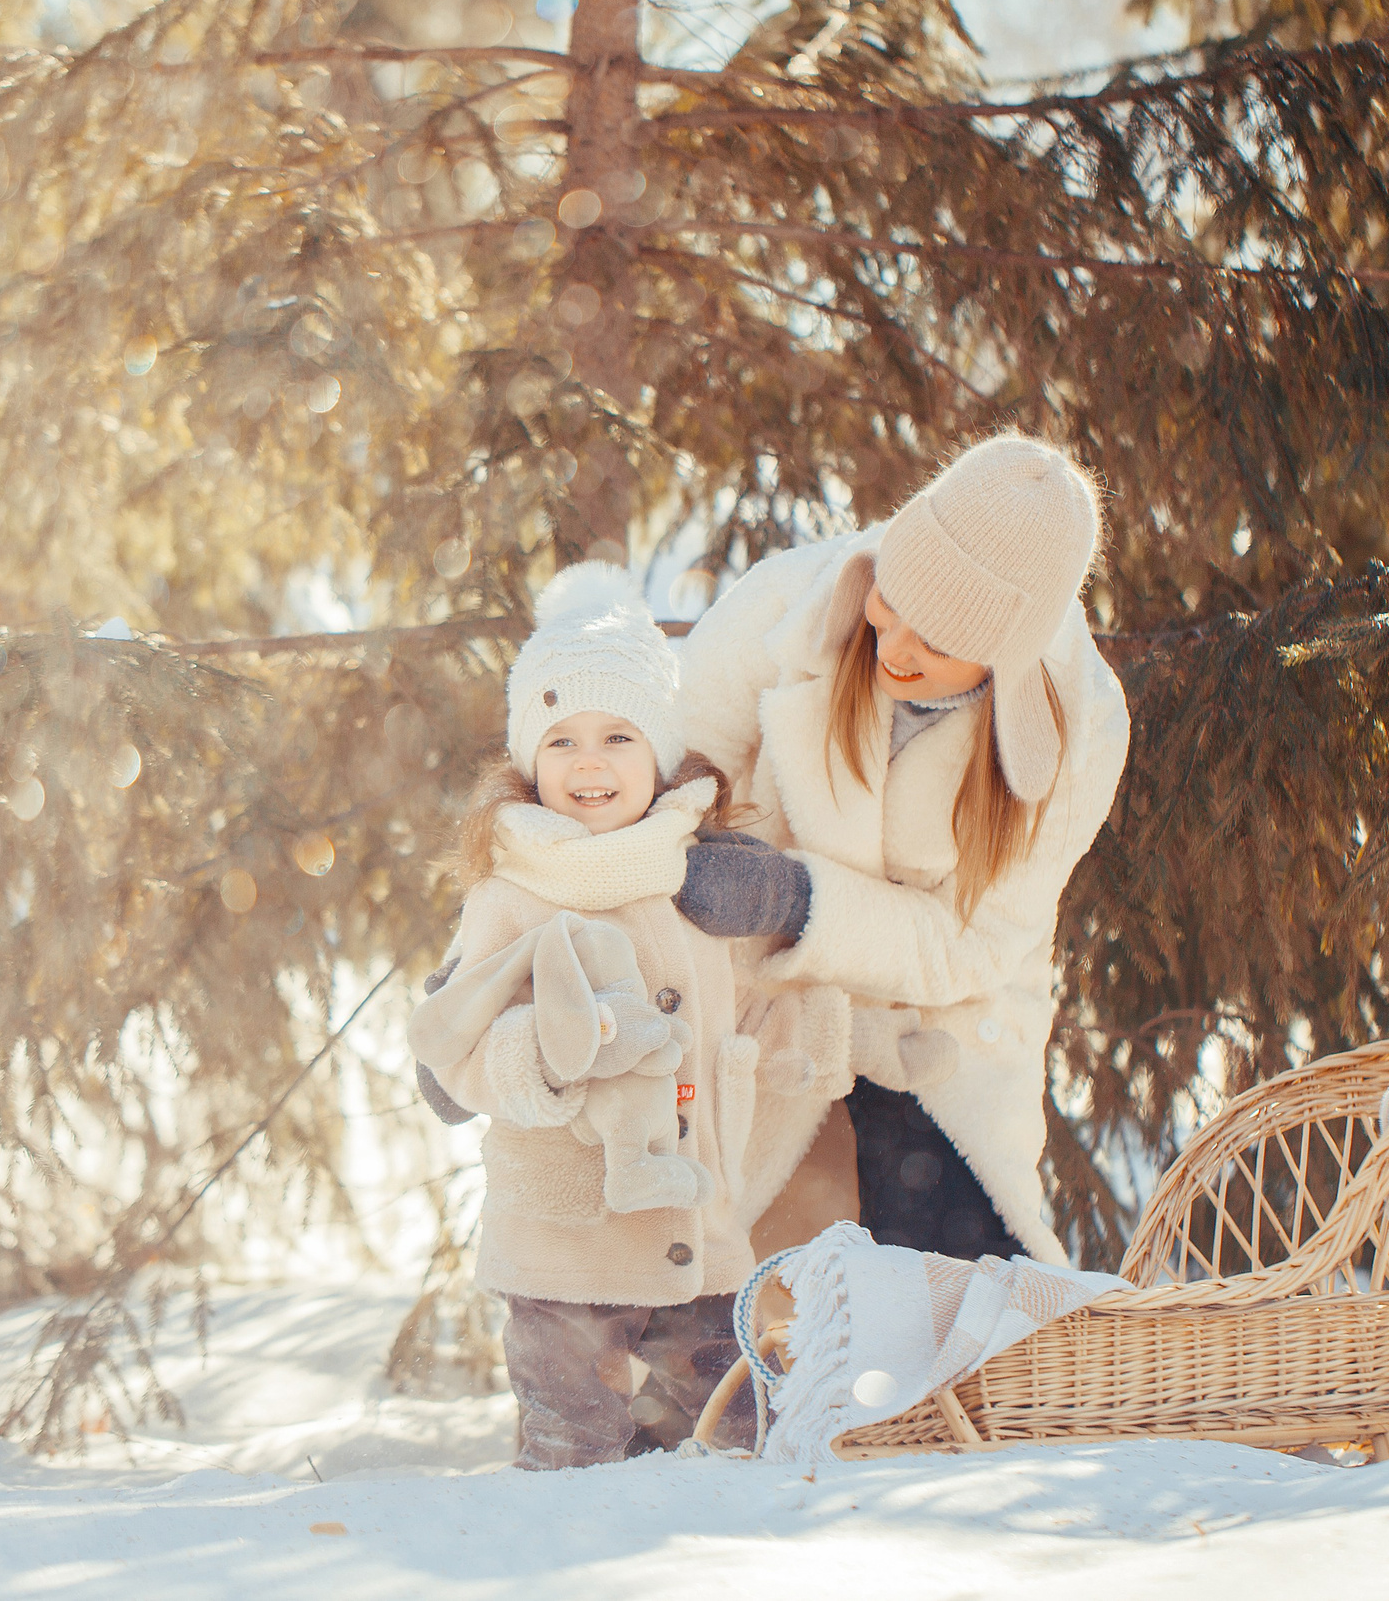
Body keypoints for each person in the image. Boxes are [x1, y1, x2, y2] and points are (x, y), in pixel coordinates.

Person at [406, 563, 848, 1467]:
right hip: (564, 1245)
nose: (590, 761)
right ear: (529, 760)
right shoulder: (513, 885)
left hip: (697, 1233)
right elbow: (456, 1049)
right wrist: (535, 1054)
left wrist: (780, 907)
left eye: (617, 734)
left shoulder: (696, 871)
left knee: (730, 1440)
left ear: (660, 751)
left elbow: (769, 992)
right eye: (560, 740)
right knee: (574, 1451)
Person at [670, 433, 1130, 1265]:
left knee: (951, 1291)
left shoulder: (1081, 728)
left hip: (940, 1027)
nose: (896, 647)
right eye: (894, 600)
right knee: (723, 1278)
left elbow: (975, 943)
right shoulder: (789, 605)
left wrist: (794, 900)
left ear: (1007, 659)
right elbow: (658, 776)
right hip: (763, 1001)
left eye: (940, 640)